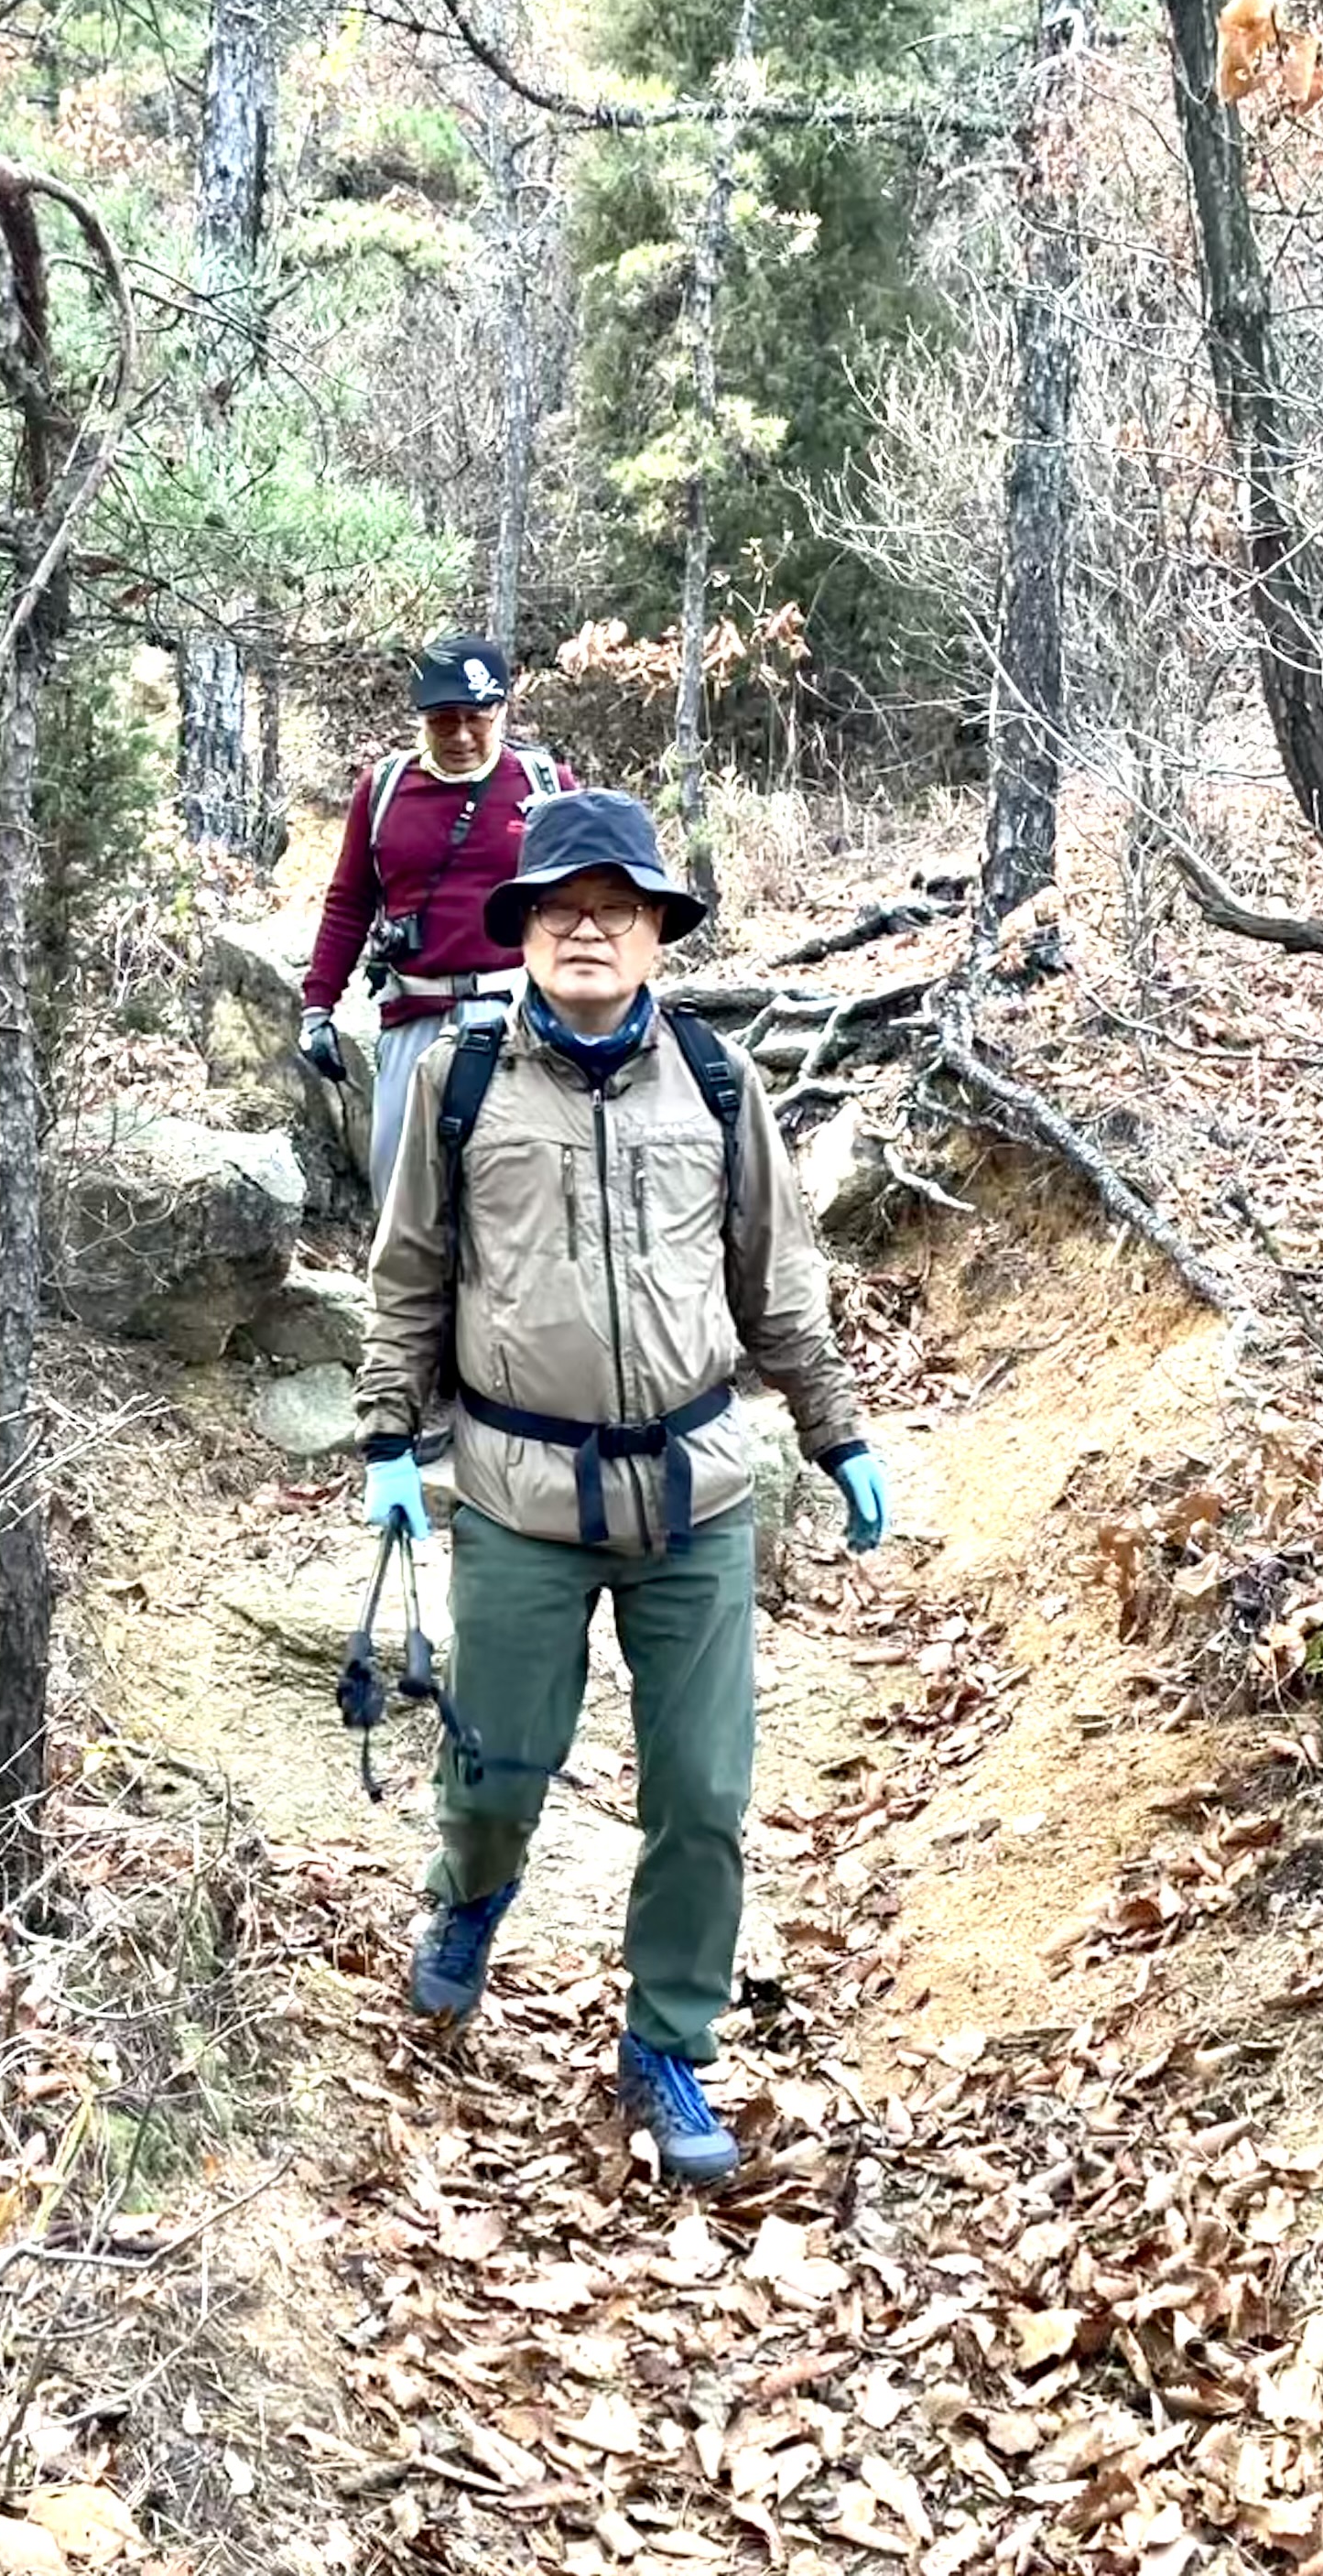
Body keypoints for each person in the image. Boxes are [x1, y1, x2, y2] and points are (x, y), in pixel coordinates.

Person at [352, 789, 890, 2187]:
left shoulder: (716, 1080)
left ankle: (666, 2044)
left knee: (702, 1792)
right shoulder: (462, 1083)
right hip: (519, 1494)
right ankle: (472, 1899)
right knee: (495, 1768)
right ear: (524, 931)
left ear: (657, 933)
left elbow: (777, 1280)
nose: (587, 929)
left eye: (617, 908)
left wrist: (838, 1436)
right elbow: (408, 1277)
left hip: (694, 1501)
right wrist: (389, 1443)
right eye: (561, 908)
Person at [297, 633, 573, 1197]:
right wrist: (318, 1007)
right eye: (444, 721)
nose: (462, 735)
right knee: (403, 1192)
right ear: (421, 717)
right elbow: (350, 900)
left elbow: (581, 902)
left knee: (515, 1193)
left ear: (502, 710)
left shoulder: (546, 787)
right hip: (413, 1015)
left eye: (477, 718)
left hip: (518, 1015)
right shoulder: (384, 789)